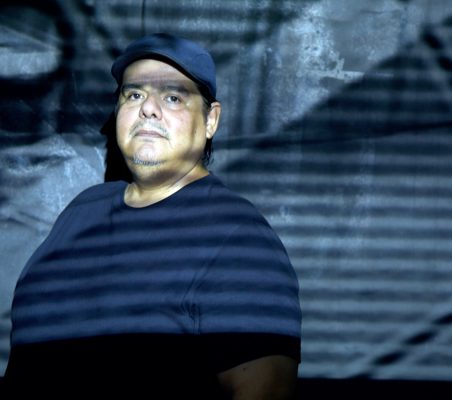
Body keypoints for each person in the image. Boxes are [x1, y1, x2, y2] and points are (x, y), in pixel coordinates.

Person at [5, 33, 302, 398]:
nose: (148, 108)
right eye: (134, 95)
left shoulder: (238, 238)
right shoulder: (82, 210)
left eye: (173, 97)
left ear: (211, 119)